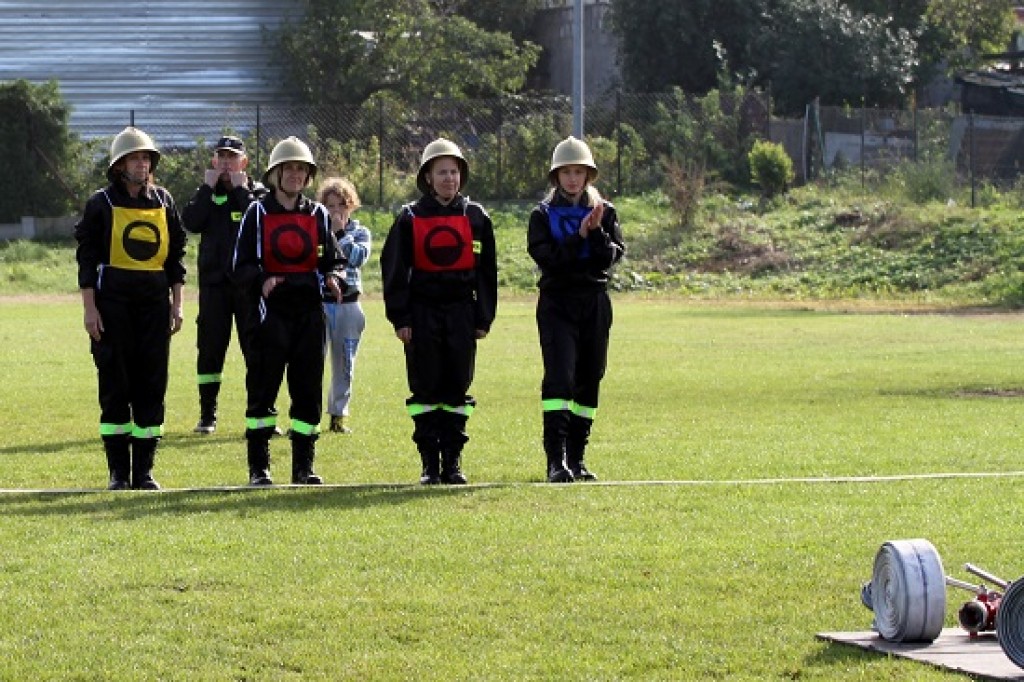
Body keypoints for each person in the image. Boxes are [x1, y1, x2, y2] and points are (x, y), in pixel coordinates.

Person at [74, 126, 187, 490]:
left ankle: (145, 471)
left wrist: (178, 304)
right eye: (135, 158)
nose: (142, 164)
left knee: (152, 387)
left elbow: (176, 259)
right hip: (113, 309)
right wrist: (90, 310)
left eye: (146, 158)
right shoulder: (100, 204)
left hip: (155, 309)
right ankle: (118, 473)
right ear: (118, 165)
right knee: (115, 386)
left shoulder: (164, 202)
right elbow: (87, 261)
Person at [380, 138, 497, 485]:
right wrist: (401, 318)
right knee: (426, 387)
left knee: (457, 385)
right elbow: (394, 270)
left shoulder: (476, 218)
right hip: (422, 313)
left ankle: (453, 461)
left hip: (461, 312)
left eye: (454, 171)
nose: (449, 178)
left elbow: (487, 272)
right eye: (441, 172)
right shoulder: (409, 218)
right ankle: (430, 463)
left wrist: (482, 317)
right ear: (428, 177)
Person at [231, 136, 345, 486]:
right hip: (270, 316)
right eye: (288, 168)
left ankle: (303, 467)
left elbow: (334, 258)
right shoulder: (257, 212)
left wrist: (334, 277)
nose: (295, 174)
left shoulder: (318, 213)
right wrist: (262, 278)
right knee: (263, 390)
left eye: (301, 169)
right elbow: (240, 264)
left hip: (309, 315)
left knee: (308, 390)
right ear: (275, 173)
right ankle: (259, 469)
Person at [527, 136, 624, 483]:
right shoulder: (541, 215)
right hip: (557, 304)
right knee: (559, 377)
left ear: (588, 176)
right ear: (556, 176)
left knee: (589, 378)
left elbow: (609, 258)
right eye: (566, 172)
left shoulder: (605, 212)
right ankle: (556, 461)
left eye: (578, 172)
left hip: (594, 303)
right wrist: (579, 236)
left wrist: (596, 233)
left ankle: (578, 459)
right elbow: (549, 260)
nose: (572, 178)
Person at [181, 135, 266, 434]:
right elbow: (191, 221)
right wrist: (207, 188)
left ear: (244, 163)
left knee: (255, 351)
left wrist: (241, 191)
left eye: (233, 158)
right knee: (210, 350)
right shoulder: (207, 193)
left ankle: (260, 412)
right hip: (214, 288)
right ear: (214, 162)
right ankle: (207, 415)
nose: (227, 164)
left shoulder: (256, 194)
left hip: (248, 288)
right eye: (222, 158)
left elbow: (260, 222)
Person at [316, 177, 372, 434]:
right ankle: (307, 416)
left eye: (341, 205)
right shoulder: (316, 230)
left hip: (348, 305)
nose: (336, 211)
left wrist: (339, 234)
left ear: (351, 206)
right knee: (311, 362)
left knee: (344, 364)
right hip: (319, 304)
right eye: (330, 205)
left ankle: (338, 415)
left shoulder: (360, 232)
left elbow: (357, 258)